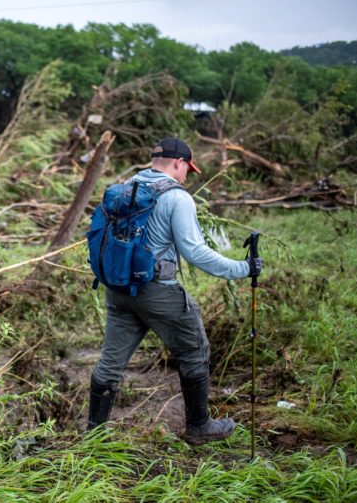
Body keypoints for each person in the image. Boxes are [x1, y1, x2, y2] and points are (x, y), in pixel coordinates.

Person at [87, 137, 263, 445]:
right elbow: (195, 252)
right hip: (157, 292)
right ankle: (199, 426)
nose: (186, 177)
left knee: (110, 364)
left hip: (118, 289)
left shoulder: (127, 186)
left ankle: (94, 435)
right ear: (179, 163)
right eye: (187, 170)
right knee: (195, 350)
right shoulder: (177, 198)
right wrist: (243, 268)